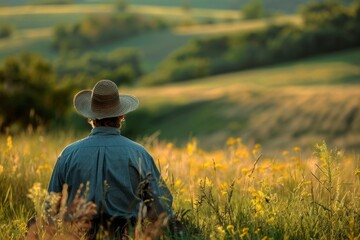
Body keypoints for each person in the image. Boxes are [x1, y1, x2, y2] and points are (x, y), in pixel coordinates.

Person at [47, 79, 173, 238]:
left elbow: (50, 209)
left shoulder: (68, 154)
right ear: (121, 116)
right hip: (126, 234)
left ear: (90, 117)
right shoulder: (139, 153)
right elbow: (162, 209)